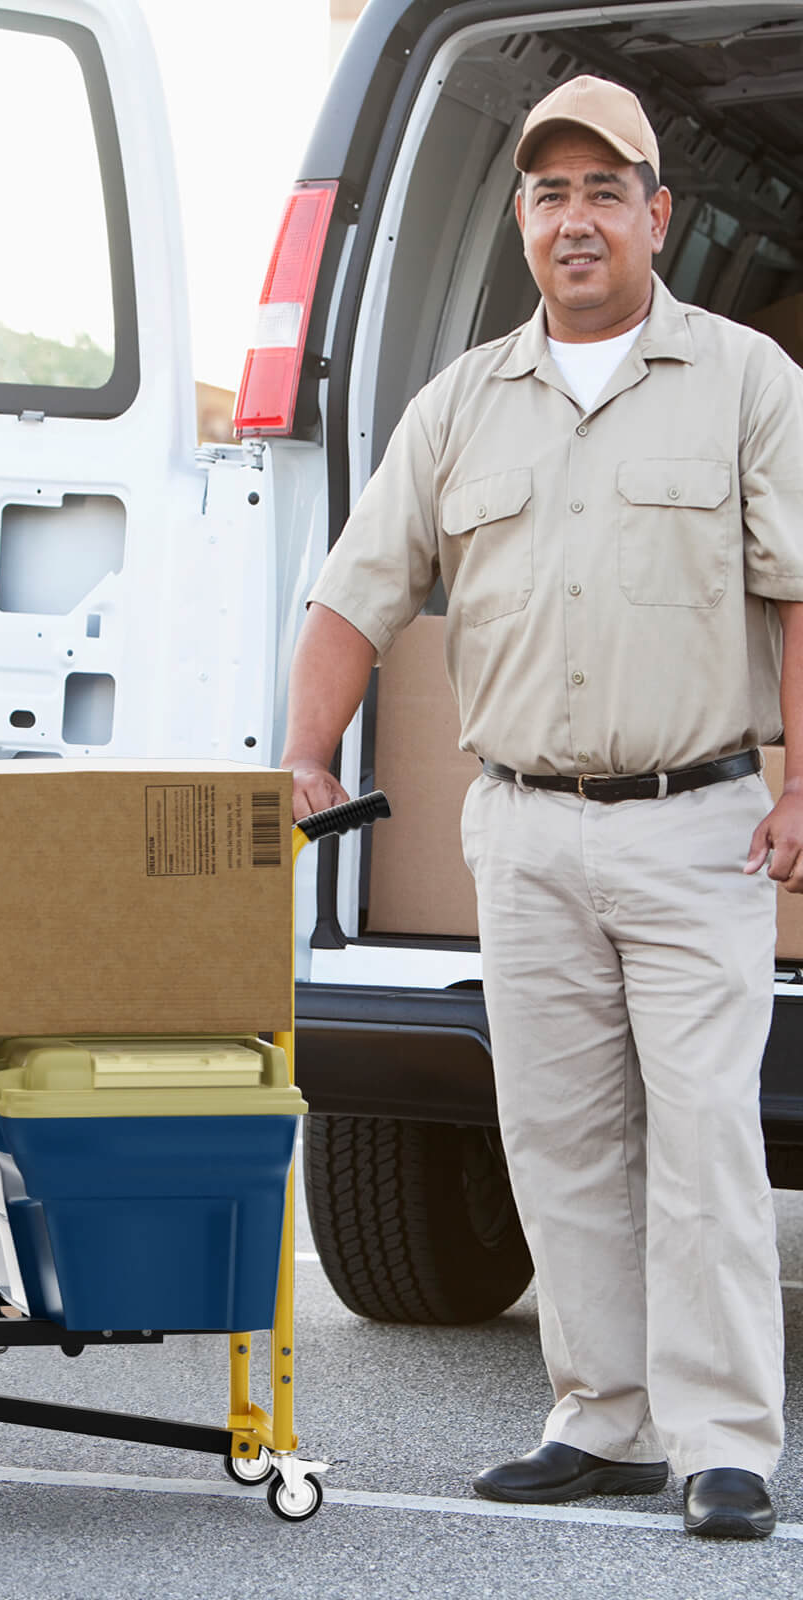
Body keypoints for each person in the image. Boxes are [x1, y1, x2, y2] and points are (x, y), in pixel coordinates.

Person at [282, 74, 803, 1540]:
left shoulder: (749, 381)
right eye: (548, 194)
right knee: (558, 1134)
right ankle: (603, 1417)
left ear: (660, 213)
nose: (576, 219)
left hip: (696, 818)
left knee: (702, 1133)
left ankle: (723, 1443)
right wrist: (307, 752)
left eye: (603, 190)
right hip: (521, 829)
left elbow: (800, 588)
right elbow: (352, 590)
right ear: (519, 220)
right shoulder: (462, 402)